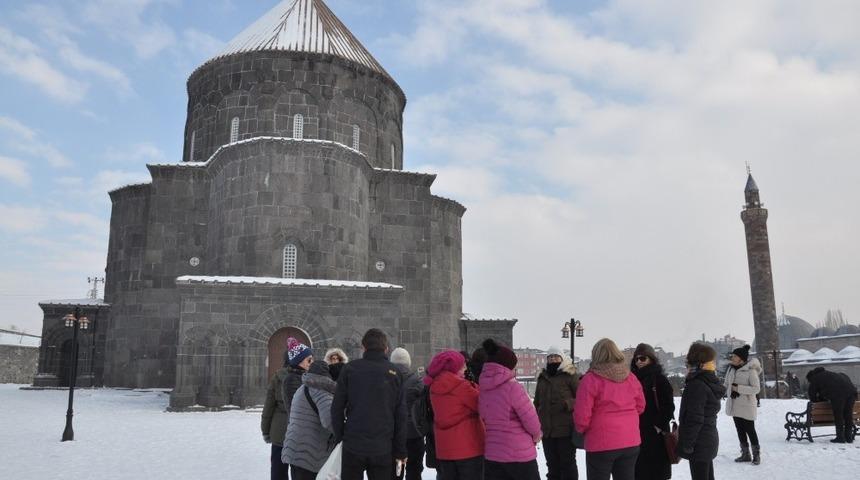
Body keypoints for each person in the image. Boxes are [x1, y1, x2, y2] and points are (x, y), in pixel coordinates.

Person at [331, 329, 407, 480]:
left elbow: (336, 408)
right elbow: (401, 415)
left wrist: (340, 437)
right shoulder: (395, 373)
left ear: (363, 347)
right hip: (383, 446)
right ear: (386, 349)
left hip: (353, 444)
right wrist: (400, 450)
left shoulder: (349, 369)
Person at [574, 338, 645, 480]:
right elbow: (641, 406)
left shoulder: (590, 379)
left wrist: (581, 430)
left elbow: (582, 416)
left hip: (601, 443)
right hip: (630, 441)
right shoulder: (631, 377)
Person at [479, 338, 542, 480]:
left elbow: (483, 416)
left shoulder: (483, 388)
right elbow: (530, 420)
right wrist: (537, 435)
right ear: (508, 366)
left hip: (493, 453)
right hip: (518, 455)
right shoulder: (513, 387)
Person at [425, 349, 485, 479]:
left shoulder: (435, 387)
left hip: (445, 450)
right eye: (462, 365)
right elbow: (484, 405)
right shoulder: (461, 387)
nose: (465, 369)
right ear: (454, 368)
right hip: (469, 450)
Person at [262, 337, 313, 480]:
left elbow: (269, 408)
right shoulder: (311, 378)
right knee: (300, 471)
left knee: (279, 470)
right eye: (309, 359)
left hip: (280, 433)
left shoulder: (278, 377)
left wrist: (266, 431)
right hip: (300, 433)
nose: (311, 362)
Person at [677, 343, 725, 480]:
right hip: (707, 439)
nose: (714, 364)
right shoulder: (707, 381)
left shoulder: (697, 384)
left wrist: (687, 444)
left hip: (698, 442)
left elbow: (694, 418)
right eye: (712, 361)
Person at [282, 361, 337, 479]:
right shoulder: (321, 391)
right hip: (309, 453)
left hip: (294, 450)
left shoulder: (302, 388)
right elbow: (330, 422)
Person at [534, 346, 580, 480]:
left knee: (567, 464)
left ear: (562, 358)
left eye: (556, 356)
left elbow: (582, 398)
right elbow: (537, 402)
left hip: (565, 430)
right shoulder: (542, 378)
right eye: (550, 357)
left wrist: (567, 404)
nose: (553, 359)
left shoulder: (570, 375)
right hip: (547, 431)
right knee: (552, 465)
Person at [630, 343, 674, 480]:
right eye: (636, 359)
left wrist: (657, 426)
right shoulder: (631, 379)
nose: (639, 362)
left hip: (656, 436)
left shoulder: (659, 379)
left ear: (651, 359)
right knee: (638, 471)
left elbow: (669, 406)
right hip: (635, 432)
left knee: (655, 472)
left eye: (642, 358)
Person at [391, 347, 427, 480]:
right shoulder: (418, 382)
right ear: (408, 363)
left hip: (393, 434)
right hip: (414, 434)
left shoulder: (386, 381)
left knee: (395, 472)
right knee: (414, 471)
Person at [723, 345, 762, 464]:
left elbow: (756, 389)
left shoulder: (751, 371)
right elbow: (726, 384)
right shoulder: (731, 369)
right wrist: (729, 390)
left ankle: (756, 455)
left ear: (741, 359)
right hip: (735, 404)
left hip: (747, 405)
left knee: (750, 430)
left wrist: (738, 388)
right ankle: (745, 454)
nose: (732, 357)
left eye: (735, 356)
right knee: (739, 429)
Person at [806, 367, 858, 443]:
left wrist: (818, 400)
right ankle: (849, 437)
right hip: (852, 393)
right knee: (848, 415)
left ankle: (840, 437)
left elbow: (812, 395)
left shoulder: (815, 378)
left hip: (838, 395)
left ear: (810, 377)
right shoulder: (831, 374)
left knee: (838, 415)